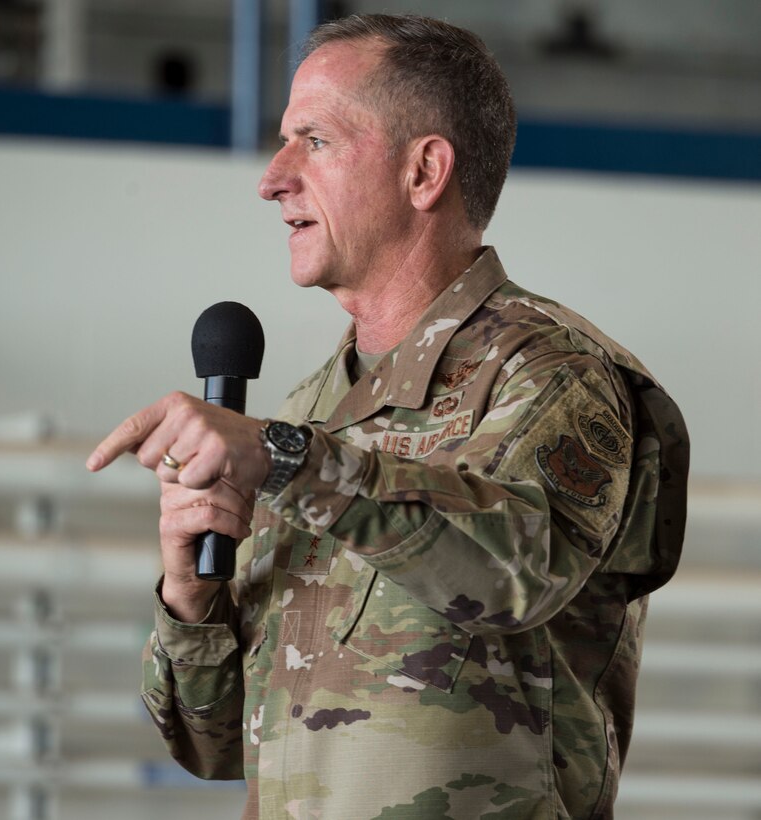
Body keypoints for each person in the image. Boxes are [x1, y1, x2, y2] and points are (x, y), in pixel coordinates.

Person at [87, 13, 688, 820]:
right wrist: (189, 599)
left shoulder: (552, 376)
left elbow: (514, 575)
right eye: (280, 141)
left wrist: (289, 461)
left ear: (424, 171)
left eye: (315, 140)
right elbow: (219, 745)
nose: (271, 178)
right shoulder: (310, 410)